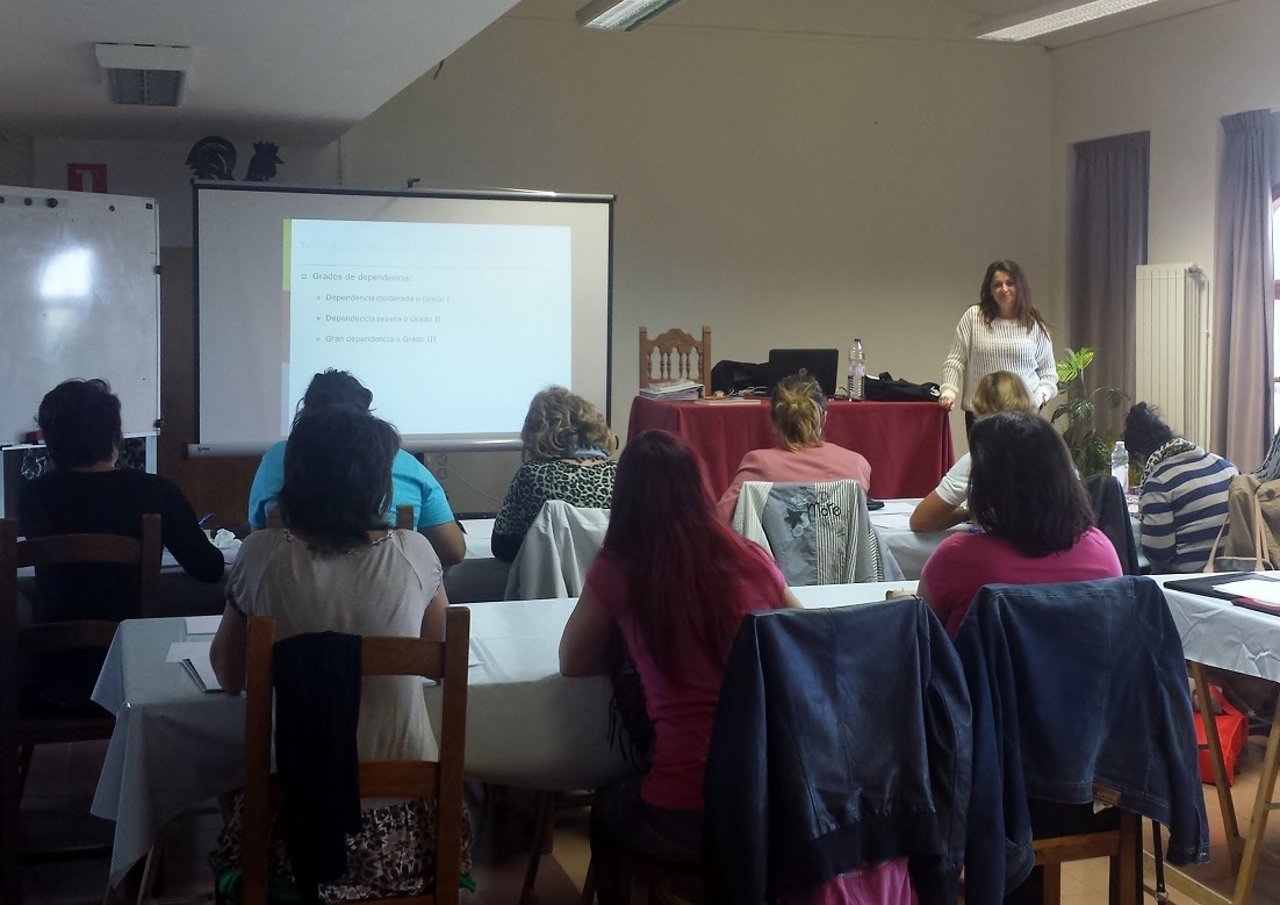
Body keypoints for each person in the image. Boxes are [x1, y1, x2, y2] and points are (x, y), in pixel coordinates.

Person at [210, 404, 467, 900]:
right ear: (379, 482)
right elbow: (436, 647)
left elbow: (228, 673)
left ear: (295, 477)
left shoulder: (260, 553)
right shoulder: (415, 552)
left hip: (289, 821)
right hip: (406, 827)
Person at [559, 431, 801, 902]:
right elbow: (803, 638)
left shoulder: (620, 569)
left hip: (685, 805)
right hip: (771, 799)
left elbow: (573, 660)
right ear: (699, 488)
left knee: (610, 804)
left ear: (623, 498)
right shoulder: (752, 558)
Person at [19, 378, 225, 623]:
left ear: (51, 442)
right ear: (115, 436)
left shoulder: (32, 496)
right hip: (129, 649)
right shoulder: (156, 492)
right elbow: (209, 568)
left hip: (49, 656)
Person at [918, 411, 1122, 638]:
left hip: (980, 674)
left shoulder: (956, 558)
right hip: (1083, 674)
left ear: (987, 485)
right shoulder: (1101, 551)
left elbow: (920, 636)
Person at [247, 369, 465, 567]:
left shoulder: (276, 458)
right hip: (390, 597)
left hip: (290, 594)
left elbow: (261, 539)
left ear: (306, 411)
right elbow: (453, 551)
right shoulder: (405, 464)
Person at [717, 375, 872, 521]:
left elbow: (720, 521)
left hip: (770, 551)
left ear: (773, 420)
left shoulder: (759, 464)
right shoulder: (857, 464)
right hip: (840, 550)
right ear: (824, 418)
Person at [491, 386, 618, 561]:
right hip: (607, 584)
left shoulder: (533, 476)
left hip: (548, 585)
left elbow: (502, 547)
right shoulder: (621, 474)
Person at [939, 260, 1057, 433]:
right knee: (984, 460)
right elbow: (955, 360)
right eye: (997, 285)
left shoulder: (1034, 324)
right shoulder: (973, 317)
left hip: (1024, 414)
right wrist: (948, 390)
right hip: (980, 412)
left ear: (1019, 286)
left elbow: (1048, 375)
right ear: (990, 290)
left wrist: (1037, 399)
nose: (1004, 289)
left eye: (1010, 283)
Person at [909, 371, 1034, 532]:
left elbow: (922, 521)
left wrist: (971, 512)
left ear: (979, 410)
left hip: (1008, 550)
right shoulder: (1055, 450)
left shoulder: (979, 459)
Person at [1124, 402, 1237, 572]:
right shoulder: (1223, 464)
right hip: (1236, 567)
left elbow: (1159, 554)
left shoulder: (1160, 481)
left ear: (1140, 456)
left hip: (1191, 576)